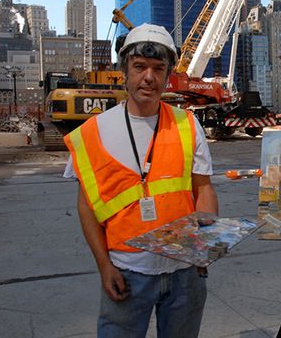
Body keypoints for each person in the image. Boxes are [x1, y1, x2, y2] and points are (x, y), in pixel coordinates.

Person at [63, 23, 218, 338]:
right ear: (125, 71)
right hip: (127, 272)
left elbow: (204, 190)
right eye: (140, 67)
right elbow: (86, 208)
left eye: (158, 68)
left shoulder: (187, 124)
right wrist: (105, 267)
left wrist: (207, 242)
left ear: (167, 75)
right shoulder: (93, 133)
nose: (149, 76)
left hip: (184, 274)